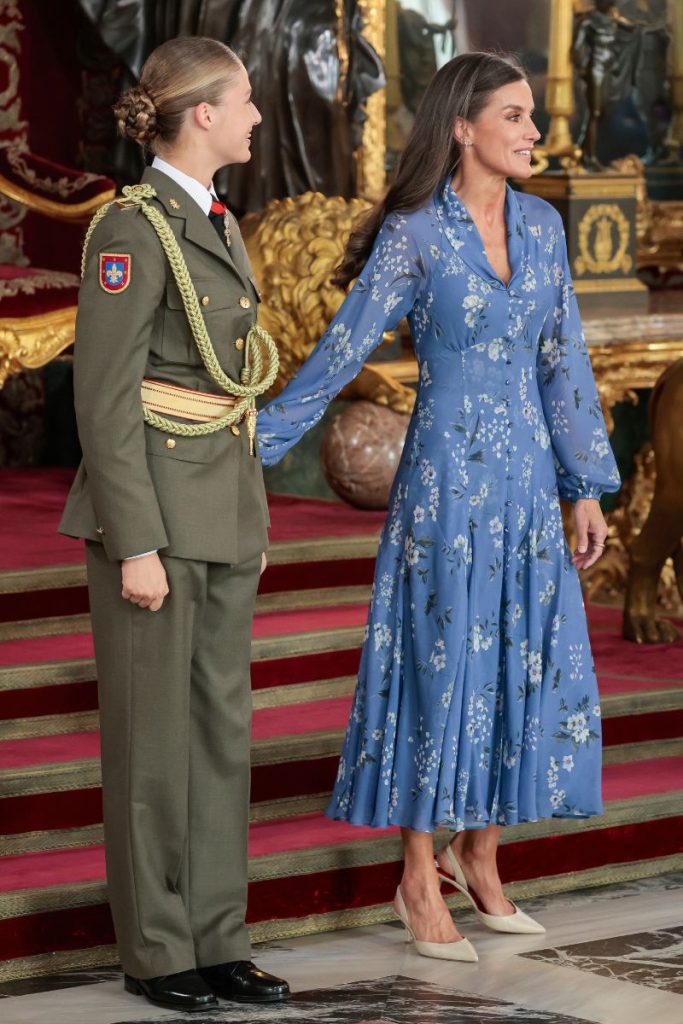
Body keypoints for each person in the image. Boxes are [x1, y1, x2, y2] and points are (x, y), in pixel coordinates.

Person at [257, 50, 621, 961]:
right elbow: (343, 349)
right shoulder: (417, 232)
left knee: (521, 664)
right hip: (445, 489)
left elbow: (562, 360)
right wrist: (248, 442)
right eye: (513, 115)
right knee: (440, 663)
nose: (533, 131)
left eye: (532, 114)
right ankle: (416, 872)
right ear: (461, 127)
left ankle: (481, 857)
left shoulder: (541, 227)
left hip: (531, 485)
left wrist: (582, 485)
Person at [59, 37, 290, 1012]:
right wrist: (135, 540)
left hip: (220, 512)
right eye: (243, 101)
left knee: (215, 739)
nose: (255, 118)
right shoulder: (130, 229)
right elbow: (105, 400)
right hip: (152, 517)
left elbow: (225, 389)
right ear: (203, 112)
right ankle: (158, 951)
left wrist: (250, 514)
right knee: (151, 746)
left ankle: (216, 936)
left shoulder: (215, 219)